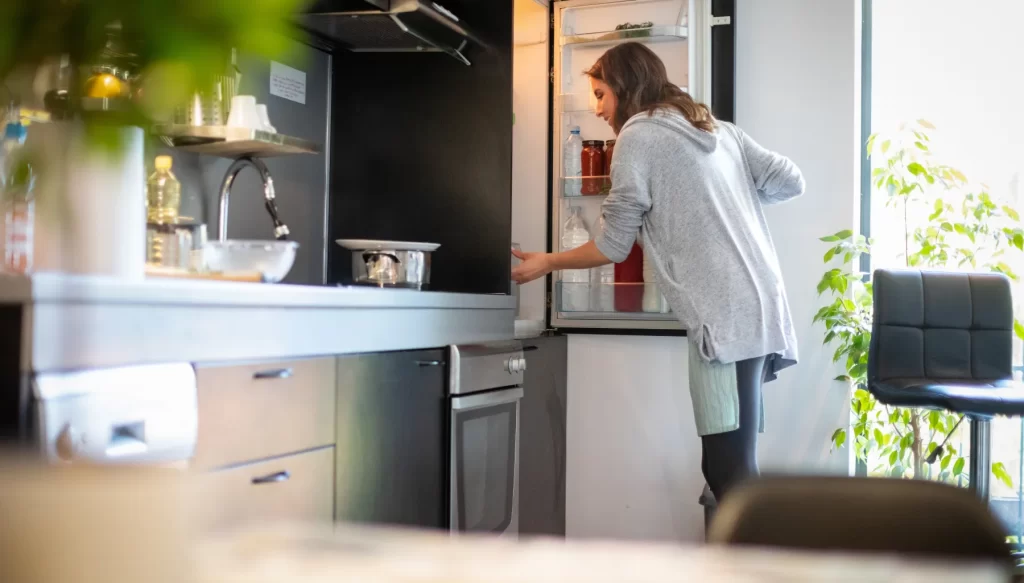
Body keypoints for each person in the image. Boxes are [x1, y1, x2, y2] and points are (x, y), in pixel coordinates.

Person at [511, 42, 805, 504]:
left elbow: (613, 243)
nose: (598, 108)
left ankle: (759, 569)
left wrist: (547, 261)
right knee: (735, 464)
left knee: (727, 472)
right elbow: (791, 180)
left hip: (721, 315)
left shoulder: (638, 135)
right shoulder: (720, 130)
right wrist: (726, 198)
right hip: (762, 304)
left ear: (625, 88)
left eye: (601, 94)